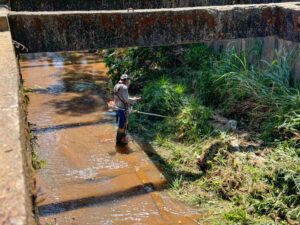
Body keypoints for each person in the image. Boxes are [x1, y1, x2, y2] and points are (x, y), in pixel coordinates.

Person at [114, 74, 141, 146]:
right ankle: (120, 143)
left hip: (117, 108)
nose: (129, 82)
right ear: (126, 80)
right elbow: (127, 99)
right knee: (123, 125)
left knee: (121, 125)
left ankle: (121, 141)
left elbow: (122, 97)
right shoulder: (124, 87)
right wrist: (136, 99)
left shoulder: (116, 85)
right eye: (128, 80)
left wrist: (130, 101)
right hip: (122, 109)